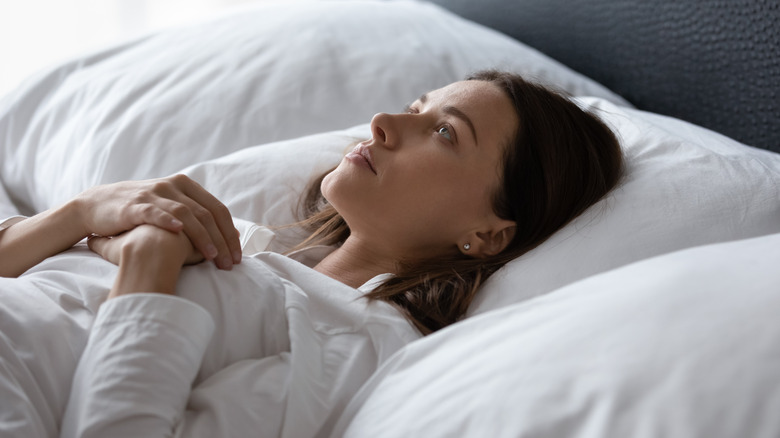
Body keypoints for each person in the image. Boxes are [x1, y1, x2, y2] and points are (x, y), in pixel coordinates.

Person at [0, 70, 623, 437]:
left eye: (443, 132)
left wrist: (148, 267)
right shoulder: (237, 238)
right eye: (415, 109)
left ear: (486, 235)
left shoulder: (358, 341)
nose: (381, 122)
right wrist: (76, 214)